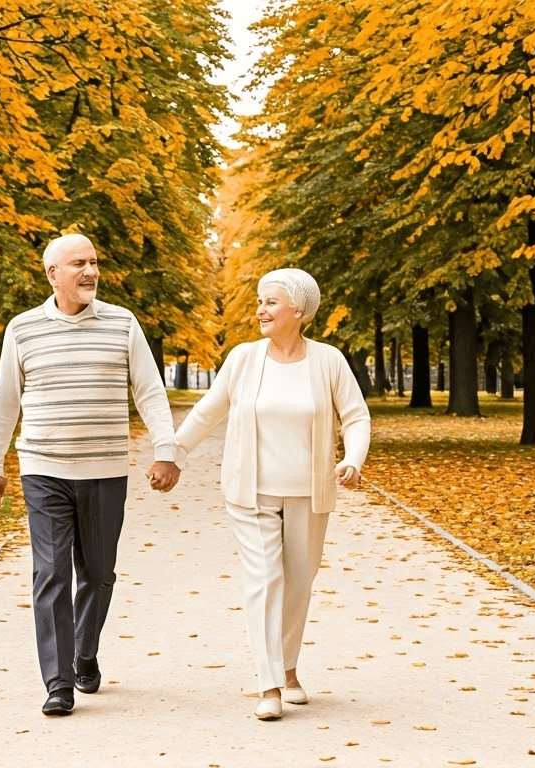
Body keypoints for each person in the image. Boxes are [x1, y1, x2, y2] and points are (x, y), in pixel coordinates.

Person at [0, 233, 181, 717]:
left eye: (94, 262)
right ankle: (58, 682)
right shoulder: (23, 329)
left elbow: (150, 392)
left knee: (97, 572)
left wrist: (166, 450)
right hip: (42, 469)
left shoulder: (122, 322)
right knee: (51, 572)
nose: (90, 271)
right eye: (79, 264)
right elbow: (6, 400)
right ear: (53, 274)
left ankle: (84, 652)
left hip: (104, 470)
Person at [174, 267, 370, 720]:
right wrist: (174, 453)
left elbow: (356, 416)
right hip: (252, 491)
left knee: (299, 582)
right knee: (265, 579)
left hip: (310, 491)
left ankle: (289, 666)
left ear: (298, 311)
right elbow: (208, 412)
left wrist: (353, 460)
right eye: (259, 301)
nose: (260, 310)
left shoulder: (328, 361)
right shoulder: (244, 358)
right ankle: (269, 685)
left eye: (270, 302)